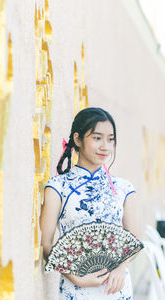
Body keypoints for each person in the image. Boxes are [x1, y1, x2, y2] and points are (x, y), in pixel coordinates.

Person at [40, 107, 139, 300]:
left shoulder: (123, 188)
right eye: (97, 138)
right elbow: (45, 244)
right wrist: (75, 276)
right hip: (75, 290)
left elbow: (133, 239)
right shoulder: (58, 187)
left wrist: (121, 266)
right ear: (77, 139)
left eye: (111, 139)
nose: (105, 147)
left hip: (117, 290)